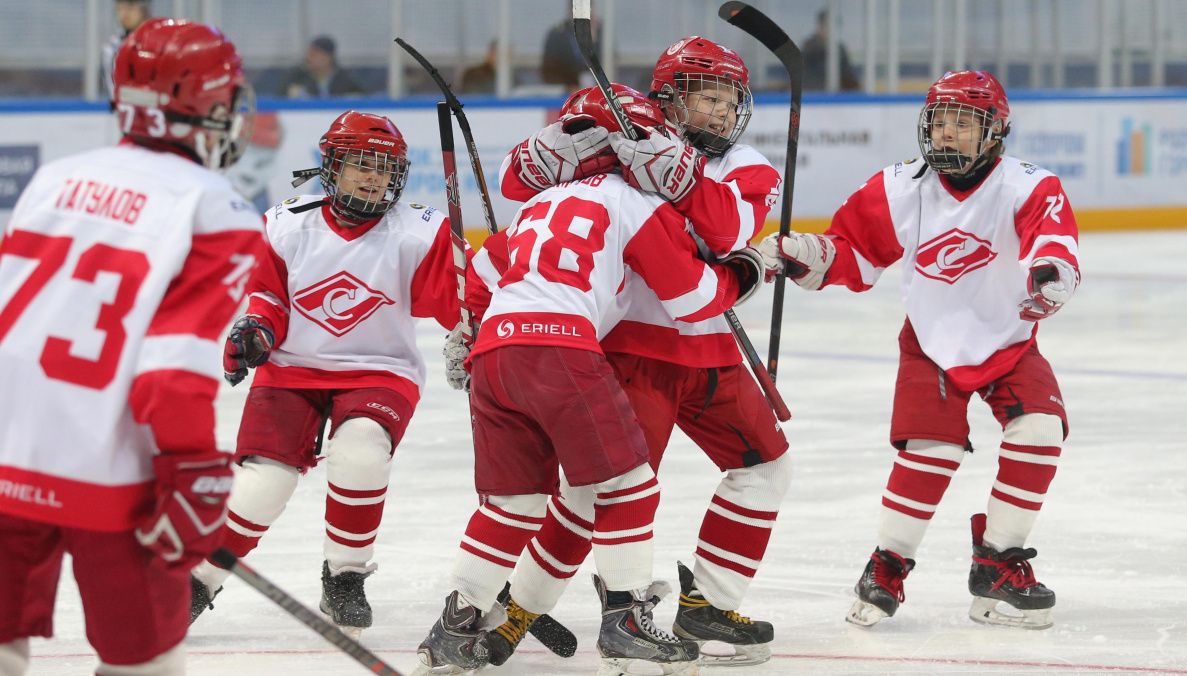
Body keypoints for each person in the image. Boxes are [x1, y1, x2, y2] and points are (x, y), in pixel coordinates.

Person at [416, 85, 763, 675]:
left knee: (514, 503)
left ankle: (454, 623)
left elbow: (481, 268)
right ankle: (626, 619)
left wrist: (468, 328)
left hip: (497, 355)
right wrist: (744, 272)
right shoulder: (639, 203)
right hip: (562, 348)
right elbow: (693, 298)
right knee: (630, 486)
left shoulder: (539, 204)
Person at [484, 36, 790, 667]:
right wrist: (576, 141)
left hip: (711, 354)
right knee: (596, 494)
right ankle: (516, 609)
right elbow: (519, 185)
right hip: (632, 353)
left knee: (766, 469)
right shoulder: (616, 145)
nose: (722, 113)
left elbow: (730, 228)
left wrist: (674, 172)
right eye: (707, 97)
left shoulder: (747, 163)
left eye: (731, 99)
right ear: (670, 99)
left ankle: (708, 603)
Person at [758, 70, 1080, 630]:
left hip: (1009, 337)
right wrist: (808, 254)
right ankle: (887, 564)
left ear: (995, 132)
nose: (948, 135)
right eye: (940, 122)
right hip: (932, 342)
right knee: (933, 450)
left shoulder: (1029, 184)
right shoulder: (901, 186)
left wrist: (1049, 273)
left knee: (1040, 430)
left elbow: (1049, 241)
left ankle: (998, 564)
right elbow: (853, 253)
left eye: (964, 124)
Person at [0, 18, 261, 675]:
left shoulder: (55, 178)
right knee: (143, 662)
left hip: (5, 456)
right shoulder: (215, 207)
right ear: (210, 107)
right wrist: (192, 469)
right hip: (112, 477)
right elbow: (170, 376)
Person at [188, 110, 463, 638]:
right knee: (261, 486)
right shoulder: (286, 222)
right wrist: (256, 331)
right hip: (292, 368)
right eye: (361, 163)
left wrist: (476, 332)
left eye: (384, 168)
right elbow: (267, 297)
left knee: (361, 450)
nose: (373, 177)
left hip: (379, 370)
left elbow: (455, 306)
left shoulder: (421, 232)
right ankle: (199, 579)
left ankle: (345, 576)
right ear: (332, 166)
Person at [278, 35, 365, 98]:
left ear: (327, 57)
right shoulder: (298, 78)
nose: (308, 58)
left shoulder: (346, 80)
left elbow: (361, 98)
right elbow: (279, 98)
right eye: (308, 54)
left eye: (313, 54)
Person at [800, 8, 861, 92]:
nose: (830, 30)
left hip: (836, 96)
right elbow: (804, 77)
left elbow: (848, 75)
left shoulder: (840, 49)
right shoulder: (809, 47)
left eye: (833, 26)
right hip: (813, 96)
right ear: (820, 26)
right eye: (827, 25)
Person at [540, 2, 598, 90]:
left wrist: (593, 42)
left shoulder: (602, 33)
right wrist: (569, 85)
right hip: (566, 92)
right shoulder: (557, 35)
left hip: (597, 91)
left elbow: (607, 65)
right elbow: (548, 71)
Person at [101, 0, 152, 101]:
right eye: (120, 8)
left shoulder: (160, 42)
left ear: (143, 9)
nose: (124, 13)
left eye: (130, 7)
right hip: (127, 111)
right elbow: (115, 94)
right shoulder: (112, 48)